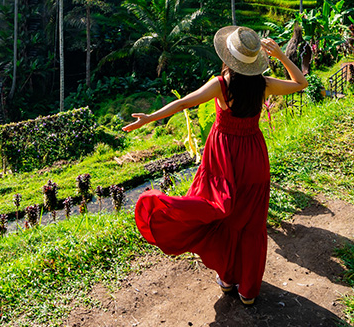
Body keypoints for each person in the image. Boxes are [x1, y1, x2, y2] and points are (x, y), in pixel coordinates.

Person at [124, 25, 307, 306]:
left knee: (221, 215)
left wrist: (149, 118)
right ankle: (248, 290)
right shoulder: (264, 84)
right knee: (251, 223)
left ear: (229, 57)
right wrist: (281, 56)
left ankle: (228, 278)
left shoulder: (221, 84)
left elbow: (183, 103)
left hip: (223, 158)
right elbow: (300, 83)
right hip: (254, 157)